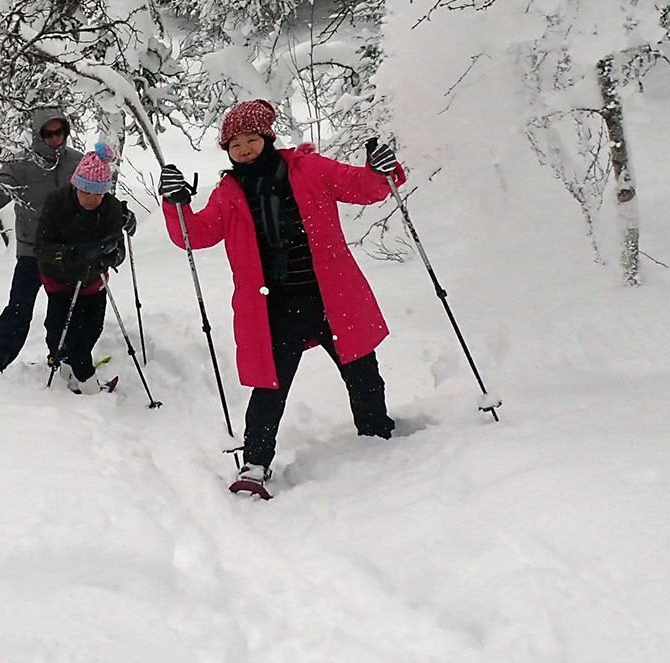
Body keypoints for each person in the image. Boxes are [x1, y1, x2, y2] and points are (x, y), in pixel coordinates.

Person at [160, 99, 406, 498]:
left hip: (331, 296)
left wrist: (381, 169)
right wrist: (177, 204)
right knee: (269, 388)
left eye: (251, 139)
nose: (243, 149)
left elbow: (361, 187)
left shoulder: (308, 168)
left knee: (361, 371)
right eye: (234, 144)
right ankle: (255, 465)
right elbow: (196, 234)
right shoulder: (229, 191)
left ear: (267, 138)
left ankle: (378, 437)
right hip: (273, 306)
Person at [0, 107, 84, 370]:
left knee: (63, 311)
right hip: (32, 251)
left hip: (67, 252)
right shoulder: (20, 164)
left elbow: (97, 195)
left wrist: (118, 216)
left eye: (59, 132)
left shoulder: (77, 162)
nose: (54, 138)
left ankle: (61, 356)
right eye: (47, 133)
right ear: (38, 135)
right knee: (19, 308)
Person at [34, 143, 135, 392]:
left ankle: (73, 364)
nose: (93, 199)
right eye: (88, 192)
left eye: (99, 194)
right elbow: (42, 248)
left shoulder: (110, 207)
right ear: (76, 186)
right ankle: (85, 380)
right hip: (59, 278)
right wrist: (74, 254)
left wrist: (110, 256)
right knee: (60, 330)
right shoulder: (57, 204)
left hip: (93, 281)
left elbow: (119, 250)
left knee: (91, 329)